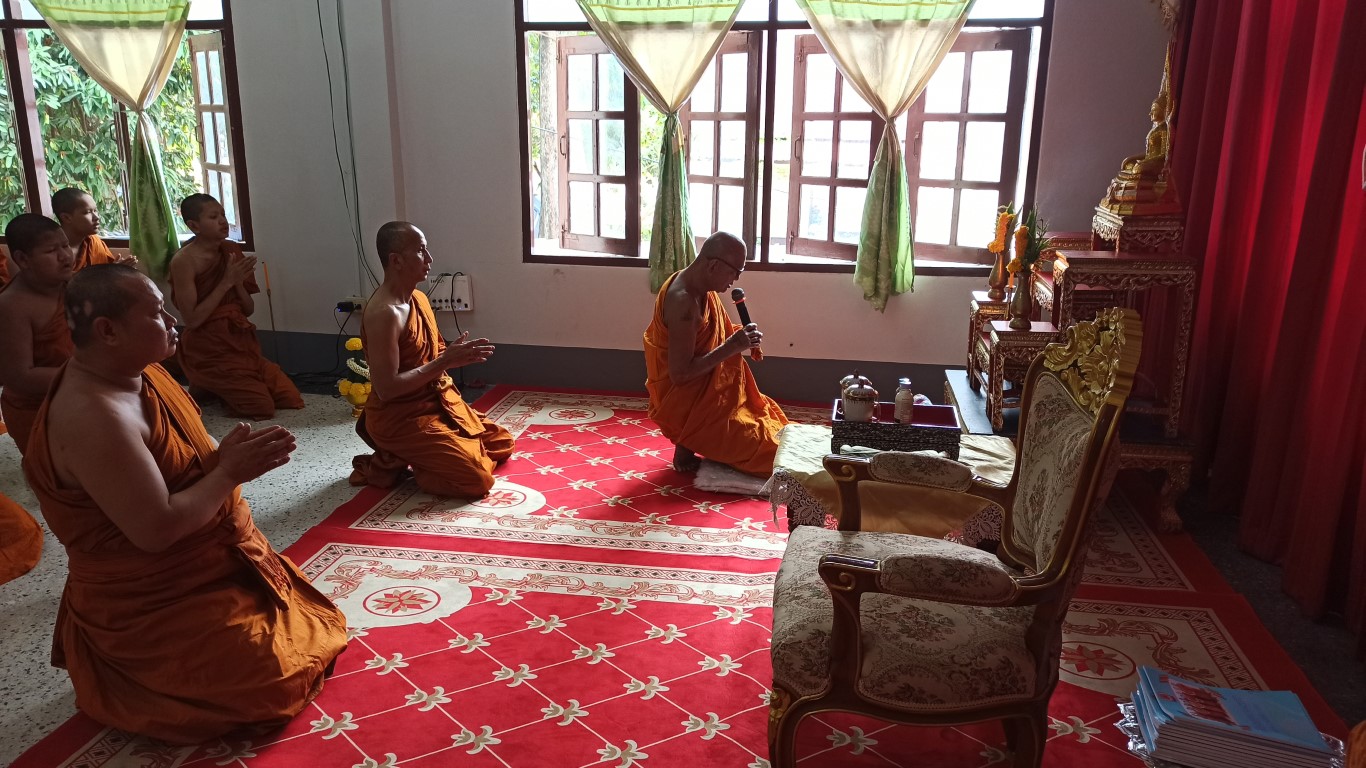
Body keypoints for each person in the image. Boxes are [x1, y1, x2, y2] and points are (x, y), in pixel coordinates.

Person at [23, 264, 348, 744]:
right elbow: (157, 531)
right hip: (155, 595)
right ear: (108, 331)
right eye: (158, 312)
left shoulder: (142, 373)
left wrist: (220, 460)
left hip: (208, 560)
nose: (174, 320)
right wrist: (229, 472)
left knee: (308, 626)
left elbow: (180, 462)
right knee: (270, 680)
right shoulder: (94, 416)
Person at [350, 221, 514, 498]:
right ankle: (404, 460)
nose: (430, 258)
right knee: (477, 480)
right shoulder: (384, 313)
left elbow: (432, 355)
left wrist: (454, 358)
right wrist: (444, 362)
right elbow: (386, 389)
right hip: (402, 416)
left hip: (436, 401)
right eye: (421, 251)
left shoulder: (419, 298)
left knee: (502, 442)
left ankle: (410, 457)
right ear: (396, 260)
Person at [643, 231, 789, 476]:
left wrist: (738, 337)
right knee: (770, 452)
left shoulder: (700, 285)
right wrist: (732, 345)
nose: (736, 279)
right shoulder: (683, 302)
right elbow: (680, 375)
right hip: (686, 401)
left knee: (772, 424)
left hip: (713, 396)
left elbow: (707, 338)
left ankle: (693, 439)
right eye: (735, 272)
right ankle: (688, 434)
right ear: (713, 266)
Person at [169, 193, 304, 420]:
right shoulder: (184, 261)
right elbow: (192, 320)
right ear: (194, 226)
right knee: (261, 408)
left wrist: (238, 283)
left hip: (240, 343)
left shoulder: (230, 251)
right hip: (208, 347)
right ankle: (211, 383)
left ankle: (212, 388)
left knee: (290, 397)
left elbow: (248, 310)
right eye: (214, 217)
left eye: (223, 214)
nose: (223, 221)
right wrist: (226, 282)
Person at [0, 213, 74, 455]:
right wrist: (89, 375)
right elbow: (19, 376)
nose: (65, 256)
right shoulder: (12, 306)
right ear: (23, 259)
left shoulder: (72, 286)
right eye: (52, 250)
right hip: (37, 408)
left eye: (65, 246)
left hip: (81, 392)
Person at [52, 187, 137, 272]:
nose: (97, 217)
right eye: (88, 212)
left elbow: (102, 275)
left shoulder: (94, 242)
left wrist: (114, 271)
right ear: (66, 218)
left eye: (95, 210)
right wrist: (109, 273)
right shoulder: (52, 250)